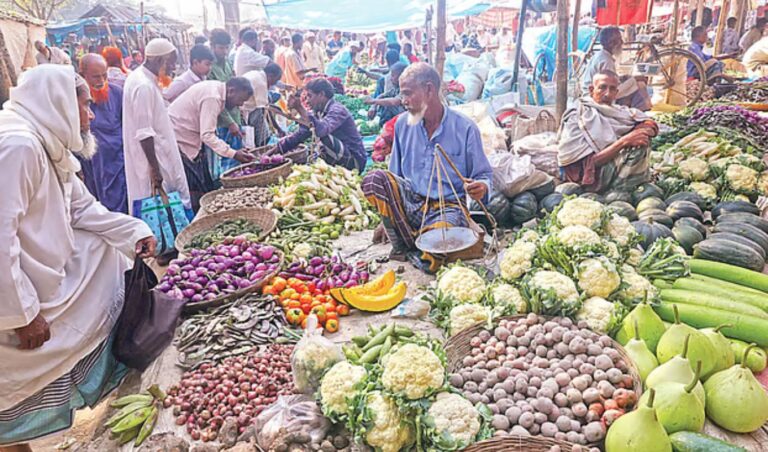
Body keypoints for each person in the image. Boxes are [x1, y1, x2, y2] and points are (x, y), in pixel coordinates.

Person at [0, 64, 156, 448]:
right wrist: (22, 313)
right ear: (58, 104)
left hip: (34, 273)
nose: (90, 115)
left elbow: (81, 210)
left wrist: (135, 232)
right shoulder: (18, 145)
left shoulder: (46, 142)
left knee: (102, 249)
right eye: (85, 106)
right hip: (8, 290)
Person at [361, 63, 492, 262]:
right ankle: (405, 239)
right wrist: (386, 218)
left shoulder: (465, 128)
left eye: (407, 93)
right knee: (374, 179)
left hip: (446, 207)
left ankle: (408, 242)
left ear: (429, 89)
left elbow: (483, 176)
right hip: (411, 202)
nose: (403, 101)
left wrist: (480, 187)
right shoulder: (403, 124)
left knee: (439, 243)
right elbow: (394, 177)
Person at [122, 38, 191, 219]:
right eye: (171, 64)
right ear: (160, 61)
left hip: (160, 151)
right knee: (159, 203)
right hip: (153, 158)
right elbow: (144, 132)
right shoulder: (143, 85)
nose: (172, 69)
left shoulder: (144, 79)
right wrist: (154, 169)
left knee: (168, 200)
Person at [558, 70, 658, 194]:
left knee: (641, 139)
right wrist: (624, 142)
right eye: (602, 88)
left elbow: (649, 124)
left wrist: (639, 132)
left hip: (608, 164)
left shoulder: (620, 112)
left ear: (616, 93)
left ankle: (625, 190)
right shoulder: (579, 115)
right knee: (637, 147)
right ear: (591, 89)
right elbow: (586, 164)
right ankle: (619, 192)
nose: (607, 93)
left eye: (612, 89)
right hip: (587, 176)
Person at [168, 78, 254, 212]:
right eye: (240, 100)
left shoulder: (216, 90)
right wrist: (234, 153)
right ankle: (199, 216)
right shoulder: (212, 97)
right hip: (180, 138)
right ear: (231, 91)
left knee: (201, 181)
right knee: (193, 184)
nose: (240, 105)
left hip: (188, 137)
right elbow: (207, 135)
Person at [273, 78, 366, 171]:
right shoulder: (318, 112)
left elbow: (321, 131)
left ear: (321, 94)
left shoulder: (337, 109)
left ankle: (340, 169)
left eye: (310, 96)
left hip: (354, 162)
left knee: (322, 136)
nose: (307, 101)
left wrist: (300, 108)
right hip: (340, 157)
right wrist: (271, 153)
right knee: (313, 140)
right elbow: (299, 136)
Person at [77, 54, 128, 214]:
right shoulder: (77, 98)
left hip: (117, 161)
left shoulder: (117, 93)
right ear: (82, 74)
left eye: (104, 75)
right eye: (95, 76)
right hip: (91, 163)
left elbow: (127, 127)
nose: (101, 80)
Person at [581, 27, 651, 111]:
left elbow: (611, 80)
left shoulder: (601, 54)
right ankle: (640, 113)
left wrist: (625, 78)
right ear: (611, 43)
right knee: (639, 85)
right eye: (619, 39)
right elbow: (611, 89)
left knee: (633, 82)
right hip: (595, 97)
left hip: (596, 92)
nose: (622, 42)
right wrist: (634, 80)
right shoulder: (606, 61)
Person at [242, 63, 284, 147]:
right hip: (245, 111)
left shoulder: (256, 74)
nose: (273, 84)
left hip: (244, 109)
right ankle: (263, 145)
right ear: (270, 76)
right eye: (275, 81)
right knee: (261, 122)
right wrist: (278, 128)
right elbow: (265, 110)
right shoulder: (261, 83)